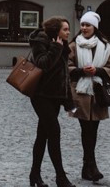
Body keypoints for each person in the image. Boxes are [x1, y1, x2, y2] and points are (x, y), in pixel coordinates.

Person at [69, 11, 110, 183]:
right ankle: (90, 164)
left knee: (94, 129)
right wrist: (81, 71)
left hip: (98, 94)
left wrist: (97, 70)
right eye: (82, 25)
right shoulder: (74, 45)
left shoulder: (105, 46)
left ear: (94, 27)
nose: (84, 28)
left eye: (87, 25)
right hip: (80, 93)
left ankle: (88, 165)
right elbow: (66, 66)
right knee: (86, 128)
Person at [27, 16, 74, 187]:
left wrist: (69, 101)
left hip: (55, 97)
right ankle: (60, 177)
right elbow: (43, 64)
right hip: (40, 96)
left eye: (68, 29)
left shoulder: (62, 44)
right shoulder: (41, 42)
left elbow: (64, 76)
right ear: (56, 30)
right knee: (54, 132)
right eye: (65, 29)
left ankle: (34, 174)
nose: (68, 32)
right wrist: (55, 48)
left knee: (42, 135)